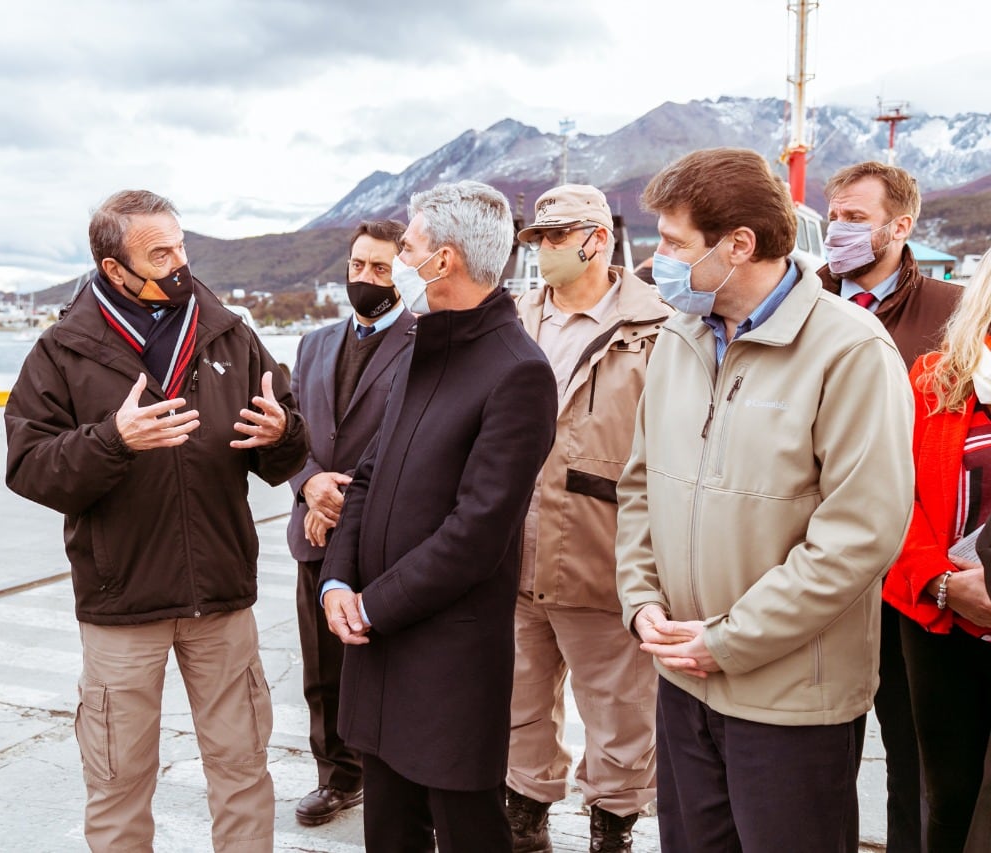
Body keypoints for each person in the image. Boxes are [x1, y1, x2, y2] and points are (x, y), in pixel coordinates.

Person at [616, 148, 915, 852]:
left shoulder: (849, 350)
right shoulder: (678, 338)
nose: (657, 258)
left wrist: (729, 640)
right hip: (683, 683)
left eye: (673, 242)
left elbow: (859, 535)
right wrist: (641, 598)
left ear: (738, 245)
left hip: (789, 703)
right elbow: (638, 486)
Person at [4, 190, 308, 852]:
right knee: (118, 780)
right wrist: (112, 440)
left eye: (181, 246)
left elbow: (286, 450)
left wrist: (283, 433)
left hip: (221, 599)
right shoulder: (63, 352)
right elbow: (28, 466)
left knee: (242, 768)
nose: (180, 263)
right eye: (160, 253)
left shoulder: (230, 333)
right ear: (115, 270)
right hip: (123, 606)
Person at [319, 180, 557, 852]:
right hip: (380, 641)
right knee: (388, 829)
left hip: (447, 656)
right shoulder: (423, 345)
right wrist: (336, 580)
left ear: (445, 260)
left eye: (410, 249)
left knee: (465, 827)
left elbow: (476, 534)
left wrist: (371, 606)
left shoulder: (517, 370)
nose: (399, 263)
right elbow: (367, 475)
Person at [506, 185, 668, 853]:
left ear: (594, 239)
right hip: (512, 555)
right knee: (516, 704)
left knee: (621, 712)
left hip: (604, 553)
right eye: (537, 238)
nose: (541, 249)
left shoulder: (657, 328)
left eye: (553, 236)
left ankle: (613, 826)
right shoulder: (511, 318)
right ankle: (524, 818)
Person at [819, 160, 962, 853]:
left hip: (911, 578)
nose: (837, 229)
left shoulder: (955, 314)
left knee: (917, 763)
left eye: (855, 217)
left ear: (900, 227)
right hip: (815, 571)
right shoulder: (802, 303)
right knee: (814, 761)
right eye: (833, 214)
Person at [286, 219, 413, 827]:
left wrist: (344, 502)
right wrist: (310, 485)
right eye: (359, 265)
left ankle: (402, 782)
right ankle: (337, 777)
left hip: (387, 536)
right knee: (322, 671)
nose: (365, 278)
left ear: (403, 274)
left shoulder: (426, 344)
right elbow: (289, 431)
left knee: (394, 668)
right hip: (312, 531)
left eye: (381, 268)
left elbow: (412, 441)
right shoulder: (313, 345)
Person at [883, 250, 991, 852]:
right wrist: (943, 582)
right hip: (944, 622)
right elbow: (890, 499)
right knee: (947, 796)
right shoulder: (932, 380)